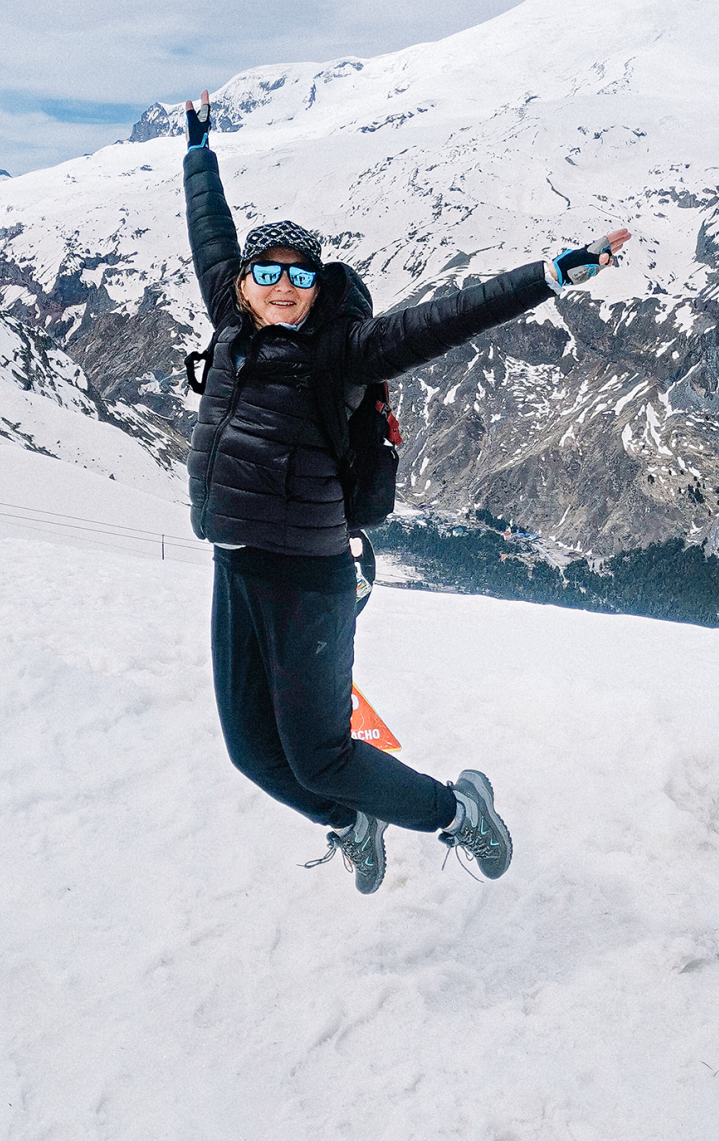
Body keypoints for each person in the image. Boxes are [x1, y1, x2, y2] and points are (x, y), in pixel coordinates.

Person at [181, 89, 631, 894]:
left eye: (300, 275)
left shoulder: (344, 350)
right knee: (252, 752)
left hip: (307, 574)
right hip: (237, 564)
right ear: (245, 283)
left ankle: (458, 813)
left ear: (318, 285)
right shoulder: (231, 321)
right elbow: (208, 229)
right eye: (267, 273)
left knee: (319, 751)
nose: (282, 286)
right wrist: (197, 149)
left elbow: (447, 319)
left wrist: (548, 277)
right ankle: (350, 821)